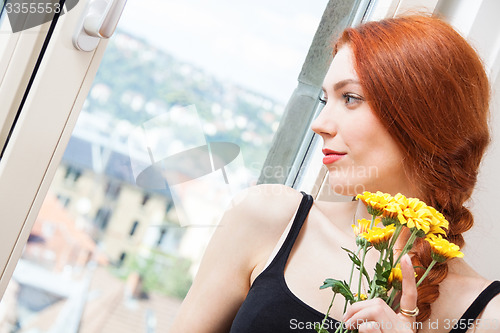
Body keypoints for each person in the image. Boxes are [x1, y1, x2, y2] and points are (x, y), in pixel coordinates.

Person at [170, 15, 500, 332]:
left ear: (423, 119)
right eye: (324, 100)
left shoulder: (489, 315)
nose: (320, 124)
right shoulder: (269, 219)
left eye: (350, 98)